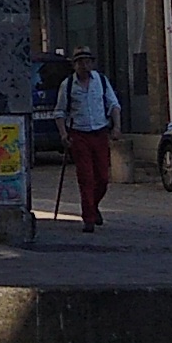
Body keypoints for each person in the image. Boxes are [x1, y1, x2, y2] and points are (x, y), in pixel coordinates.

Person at [60, 46, 121, 234]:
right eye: (79, 62)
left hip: (100, 133)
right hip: (79, 134)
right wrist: (63, 134)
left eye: (87, 61)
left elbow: (113, 104)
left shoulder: (101, 81)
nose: (84, 65)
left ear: (92, 63)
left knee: (102, 177)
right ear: (74, 65)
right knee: (86, 178)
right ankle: (88, 218)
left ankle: (93, 206)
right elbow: (60, 112)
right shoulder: (68, 85)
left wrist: (117, 126)